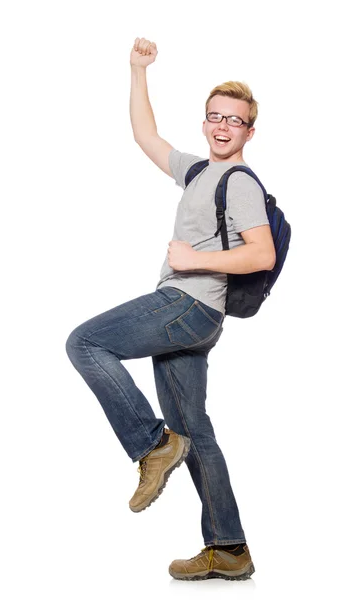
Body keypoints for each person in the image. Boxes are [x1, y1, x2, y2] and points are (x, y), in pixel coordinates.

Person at [66, 36, 275, 581]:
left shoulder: (239, 181)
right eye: (214, 117)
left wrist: (189, 258)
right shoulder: (199, 172)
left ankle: (153, 443)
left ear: (250, 130)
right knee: (197, 430)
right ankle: (229, 548)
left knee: (85, 342)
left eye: (235, 120)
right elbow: (144, 134)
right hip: (194, 320)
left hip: (187, 304)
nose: (222, 126)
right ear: (206, 123)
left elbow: (262, 252)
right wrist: (138, 71)